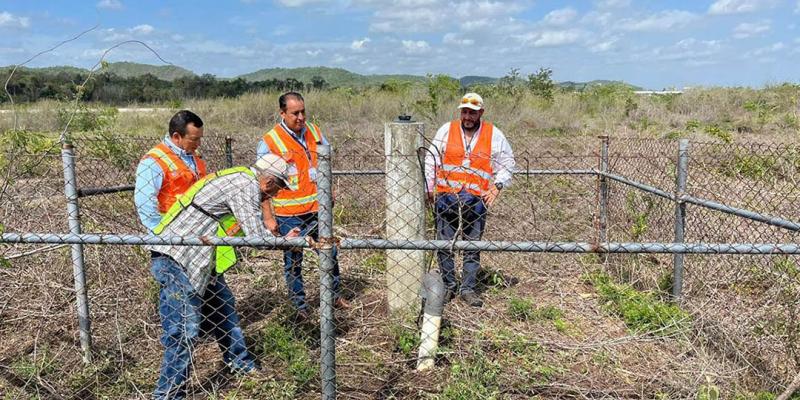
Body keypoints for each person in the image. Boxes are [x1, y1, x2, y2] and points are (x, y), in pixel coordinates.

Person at [144, 153, 300, 399]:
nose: (276, 195)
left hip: (198, 259)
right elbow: (256, 238)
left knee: (223, 308)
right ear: (269, 182)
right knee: (183, 329)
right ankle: (167, 395)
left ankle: (240, 364)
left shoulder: (240, 178)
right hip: (177, 258)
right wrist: (286, 243)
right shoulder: (244, 185)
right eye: (278, 188)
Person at [257, 91, 349, 317]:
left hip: (319, 209)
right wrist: (268, 217)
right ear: (282, 113)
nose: (300, 117)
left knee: (330, 253)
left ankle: (333, 295)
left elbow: (326, 162)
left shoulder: (315, 132)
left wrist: (330, 189)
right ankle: (300, 307)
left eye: (303, 112)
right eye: (294, 113)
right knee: (293, 260)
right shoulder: (270, 141)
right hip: (290, 214)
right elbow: (262, 184)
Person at [424, 92, 515, 307]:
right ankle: (448, 286)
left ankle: (468, 288)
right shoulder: (446, 130)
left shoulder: (494, 134)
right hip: (446, 198)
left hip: (476, 202)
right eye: (464, 112)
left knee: (472, 247)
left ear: (480, 113)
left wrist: (498, 186)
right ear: (460, 112)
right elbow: (431, 159)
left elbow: (508, 162)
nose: (468, 117)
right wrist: (429, 188)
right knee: (444, 245)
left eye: (472, 113)